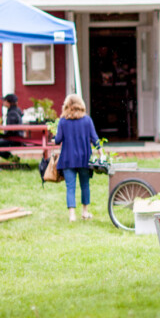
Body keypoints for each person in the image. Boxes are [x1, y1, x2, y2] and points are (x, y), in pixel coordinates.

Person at [53, 93, 100, 222]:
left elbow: (58, 140)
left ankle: (72, 215)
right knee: (85, 185)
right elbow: (95, 138)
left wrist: (54, 137)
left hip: (68, 159)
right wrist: (100, 150)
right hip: (84, 159)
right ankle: (85, 212)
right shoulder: (87, 120)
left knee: (70, 187)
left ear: (66, 106)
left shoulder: (63, 121)